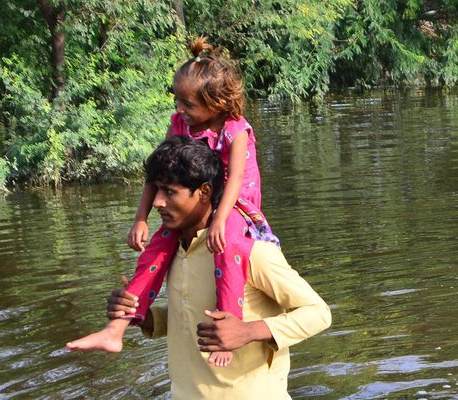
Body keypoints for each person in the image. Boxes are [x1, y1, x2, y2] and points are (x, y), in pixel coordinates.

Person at [67, 37, 276, 367]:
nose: (180, 110)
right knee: (156, 249)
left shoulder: (236, 129)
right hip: (196, 205)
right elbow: (158, 170)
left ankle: (227, 329)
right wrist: (140, 217)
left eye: (188, 105)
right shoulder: (180, 123)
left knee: (229, 246)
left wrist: (220, 219)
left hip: (233, 205)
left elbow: (234, 179)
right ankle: (116, 328)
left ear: (218, 103)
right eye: (178, 101)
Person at [77, 137, 330, 398]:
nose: (157, 202)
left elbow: (319, 313)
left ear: (204, 192)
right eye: (157, 190)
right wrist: (141, 316)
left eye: (169, 192)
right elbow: (189, 311)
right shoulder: (172, 251)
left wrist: (249, 331)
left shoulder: (251, 251)